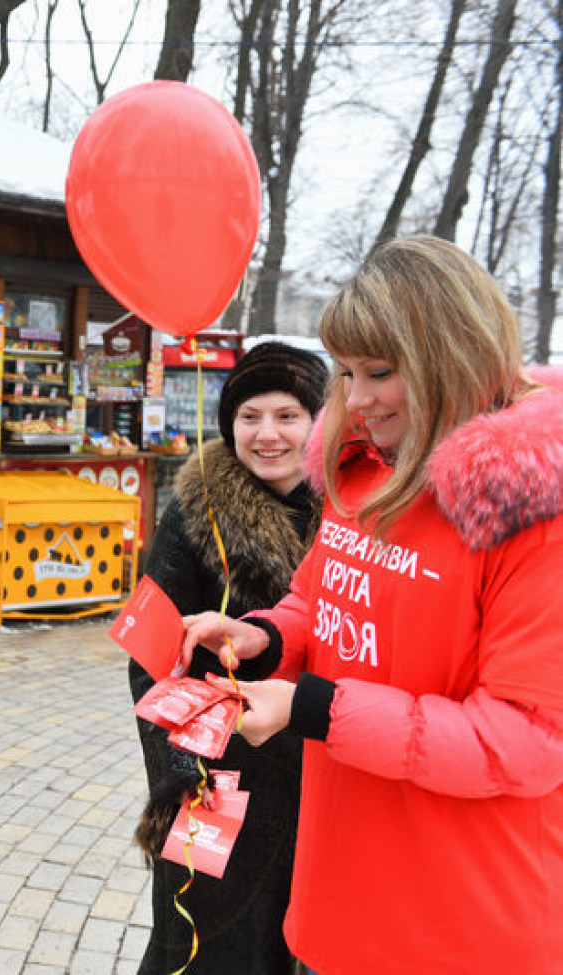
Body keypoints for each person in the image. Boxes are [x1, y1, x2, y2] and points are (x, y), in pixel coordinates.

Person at [181, 236, 563, 975]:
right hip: (341, 898)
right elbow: (321, 598)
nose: (354, 400)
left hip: (462, 925)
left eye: (379, 372)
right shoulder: (365, 470)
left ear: (451, 352)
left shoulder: (531, 511)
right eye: (347, 373)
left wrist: (314, 708)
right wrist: (263, 637)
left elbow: (526, 740)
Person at [130, 341, 328, 975]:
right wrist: (180, 765)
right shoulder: (196, 511)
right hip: (224, 775)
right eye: (250, 417)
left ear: (320, 422)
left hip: (332, 765)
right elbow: (150, 651)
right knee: (205, 941)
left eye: (287, 415)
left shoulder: (361, 512)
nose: (267, 434)